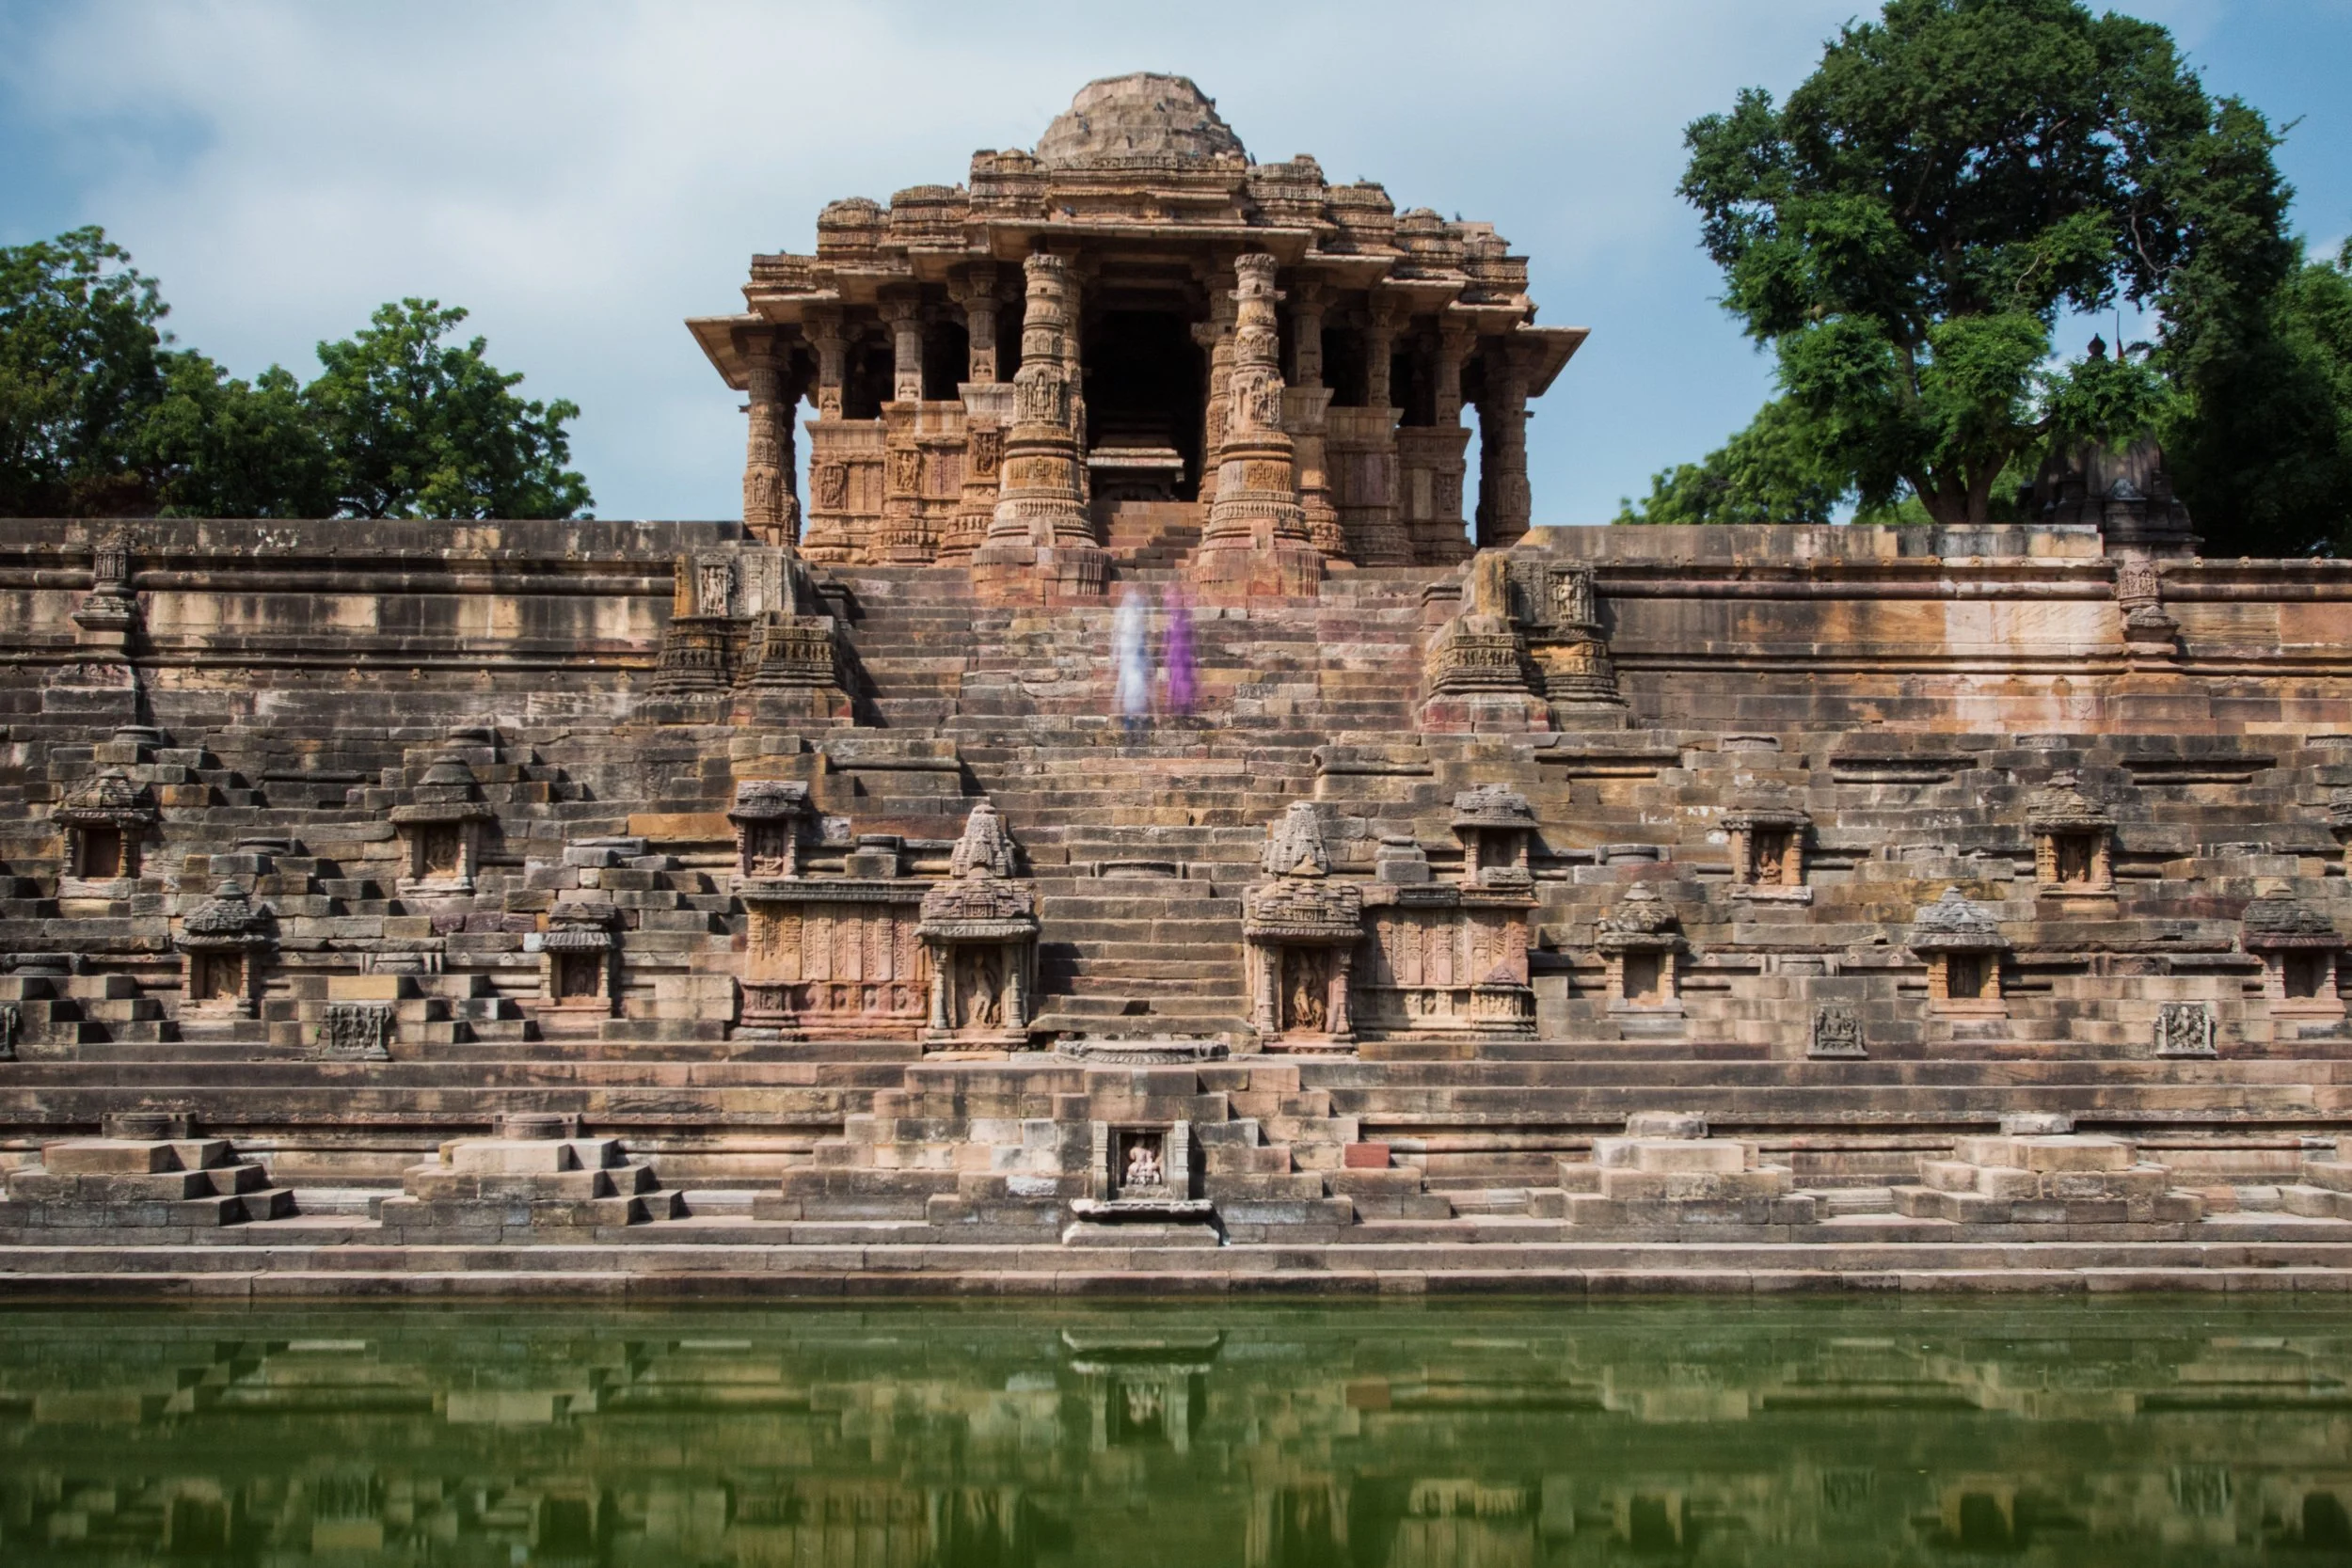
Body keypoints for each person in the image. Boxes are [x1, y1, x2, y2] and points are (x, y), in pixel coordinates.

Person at [1111, 586, 1151, 736]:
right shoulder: (1125, 618)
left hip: (1136, 659)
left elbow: (1142, 640)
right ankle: (1131, 727)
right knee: (1129, 688)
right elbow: (1118, 637)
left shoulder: (1137, 619)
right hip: (1129, 658)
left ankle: (1136, 729)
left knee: (1135, 689)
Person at [1162, 583, 1196, 718]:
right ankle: (1176, 708)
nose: (1170, 601)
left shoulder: (1185, 616)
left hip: (1183, 654)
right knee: (1175, 680)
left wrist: (1193, 655)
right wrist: (1165, 652)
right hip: (1175, 655)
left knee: (1182, 680)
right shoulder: (1172, 617)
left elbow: (1191, 635)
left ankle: (1183, 707)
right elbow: (1167, 635)